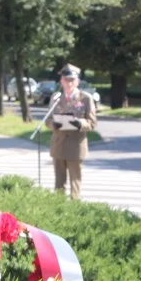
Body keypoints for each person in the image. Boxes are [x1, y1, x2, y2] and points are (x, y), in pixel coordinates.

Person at [45, 64, 98, 199]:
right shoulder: (56, 98)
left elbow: (92, 123)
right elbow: (47, 120)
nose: (69, 83)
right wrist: (53, 124)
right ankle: (58, 209)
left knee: (75, 182)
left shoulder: (85, 98)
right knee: (59, 183)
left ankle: (75, 209)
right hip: (58, 144)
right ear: (61, 81)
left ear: (77, 81)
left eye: (72, 80)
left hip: (76, 145)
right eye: (66, 79)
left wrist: (79, 123)